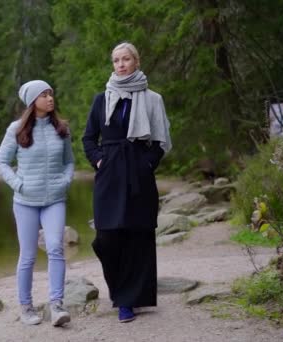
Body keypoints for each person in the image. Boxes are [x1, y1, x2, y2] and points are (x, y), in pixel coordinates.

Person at [81, 42, 172, 323]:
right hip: (109, 175)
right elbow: (88, 138)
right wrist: (98, 160)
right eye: (116, 60)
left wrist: (147, 164)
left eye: (126, 59)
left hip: (138, 174)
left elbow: (160, 140)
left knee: (137, 237)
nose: (120, 64)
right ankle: (120, 290)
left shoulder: (152, 99)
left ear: (136, 62)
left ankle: (127, 301)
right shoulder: (102, 99)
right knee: (106, 238)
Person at [0, 80, 75, 327]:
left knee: (55, 247)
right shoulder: (16, 129)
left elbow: (70, 161)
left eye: (51, 93)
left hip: (54, 200)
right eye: (44, 95)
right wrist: (19, 185)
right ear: (33, 101)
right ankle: (26, 307)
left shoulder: (61, 128)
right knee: (28, 256)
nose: (50, 98)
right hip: (25, 202)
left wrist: (65, 181)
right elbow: (1, 162)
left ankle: (57, 306)